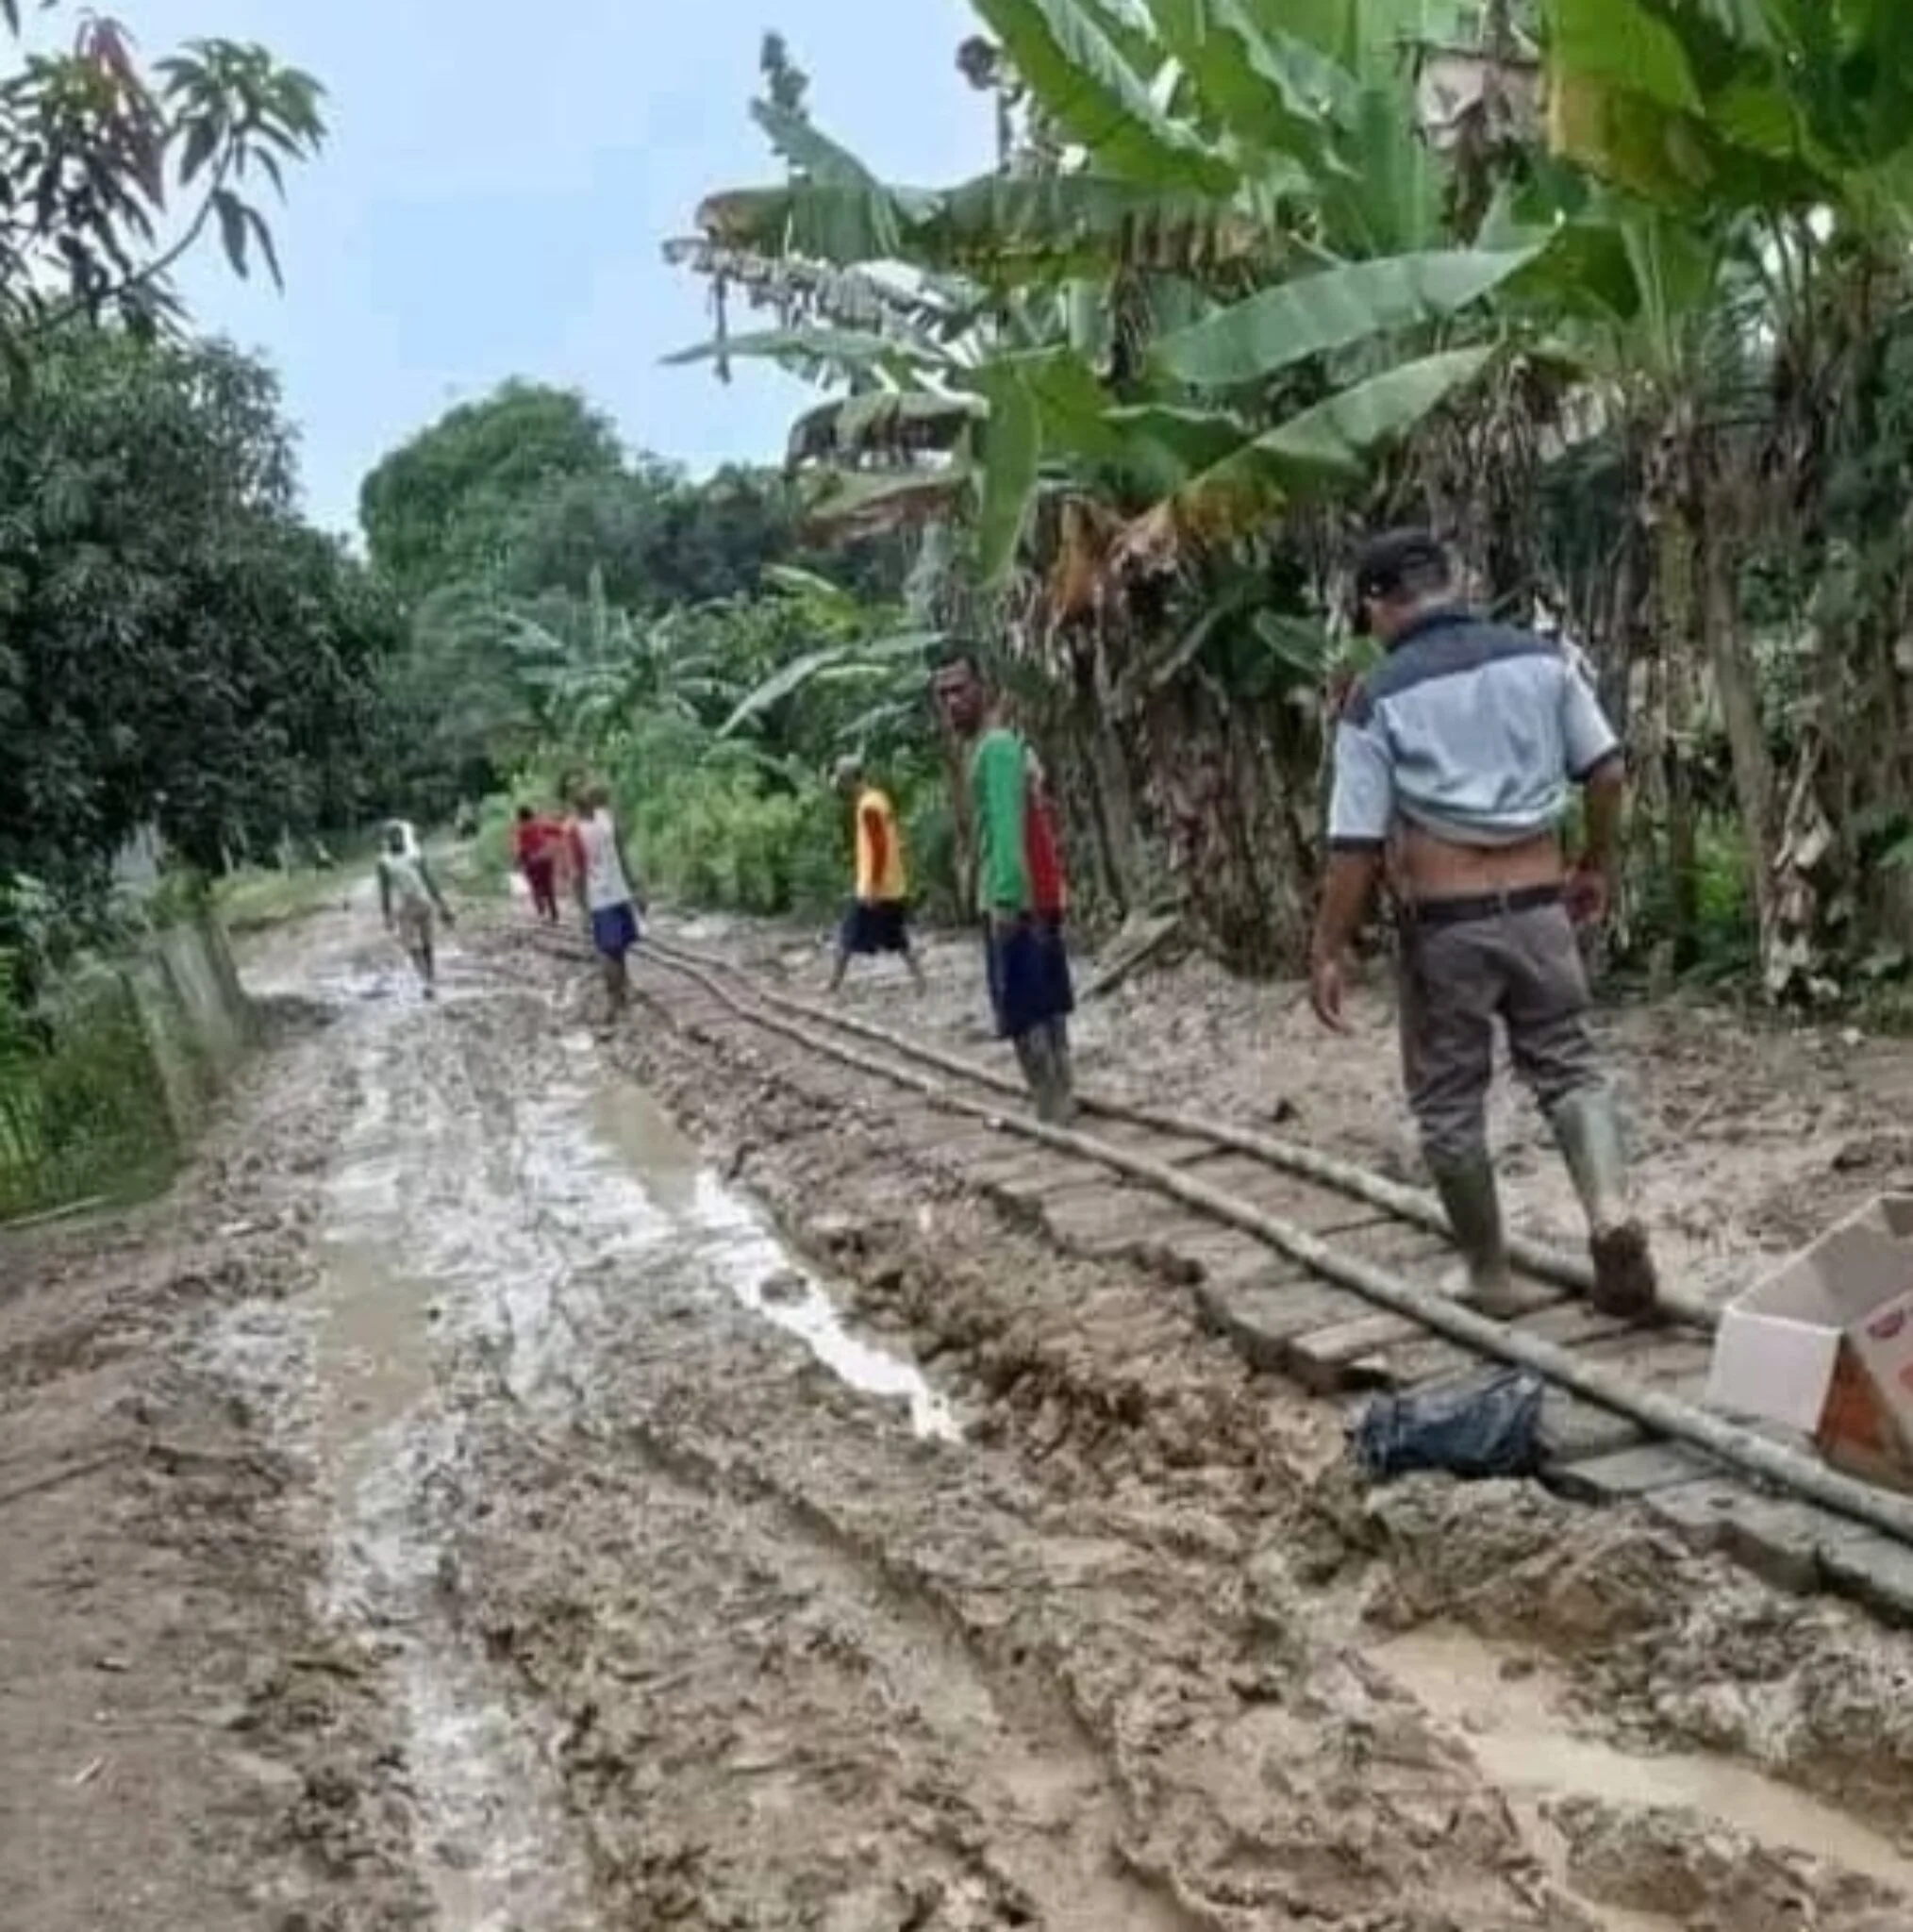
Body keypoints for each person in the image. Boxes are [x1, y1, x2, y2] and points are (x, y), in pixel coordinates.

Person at [1308, 527, 1657, 1322]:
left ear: (1375, 605)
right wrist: (1595, 864)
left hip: (1448, 927)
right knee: (1570, 1069)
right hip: (1541, 909)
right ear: (1452, 580)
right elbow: (1605, 770)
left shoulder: (1376, 698)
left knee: (1448, 1099)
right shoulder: (1541, 660)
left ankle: (1488, 1272)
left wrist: (1328, 946)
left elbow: (1356, 847)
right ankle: (1608, 1214)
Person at [930, 648, 1076, 1124]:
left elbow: (1008, 828)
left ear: (983, 687)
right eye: (943, 694)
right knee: (1047, 1000)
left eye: (960, 689)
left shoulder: (994, 749)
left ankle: (1051, 1104)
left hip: (1014, 897)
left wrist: (1006, 899)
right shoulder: (1007, 746)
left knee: (1022, 1007)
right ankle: (1061, 1098)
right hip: (1038, 894)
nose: (952, 702)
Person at [827, 755, 926, 993]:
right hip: (893, 885)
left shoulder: (868, 807)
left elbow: (880, 847)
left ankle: (833, 985)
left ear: (850, 781)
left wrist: (872, 885)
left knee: (847, 934)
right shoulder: (878, 799)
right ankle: (920, 981)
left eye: (842, 783)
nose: (841, 790)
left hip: (876, 888)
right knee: (897, 938)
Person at [567, 780, 642, 1014]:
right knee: (619, 947)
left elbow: (577, 874)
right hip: (620, 892)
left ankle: (614, 999)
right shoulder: (607, 818)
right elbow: (623, 854)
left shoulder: (573, 830)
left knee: (608, 950)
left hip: (599, 896)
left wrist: (582, 908)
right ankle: (623, 992)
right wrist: (636, 887)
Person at [376, 823, 453, 999]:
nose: (396, 840)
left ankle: (430, 979)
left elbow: (429, 880)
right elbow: (385, 890)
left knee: (427, 945)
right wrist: (387, 914)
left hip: (423, 902)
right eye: (392, 837)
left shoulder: (415, 855)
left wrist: (443, 905)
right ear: (387, 840)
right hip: (404, 907)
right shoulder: (384, 862)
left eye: (399, 836)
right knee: (411, 946)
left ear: (403, 837)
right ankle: (425, 980)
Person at [513, 803, 562, 924]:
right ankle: (554, 913)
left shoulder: (522, 829)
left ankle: (542, 913)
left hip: (533, 861)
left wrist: (518, 862)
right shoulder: (540, 823)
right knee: (549, 887)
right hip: (546, 858)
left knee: (536, 887)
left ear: (520, 818)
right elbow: (558, 830)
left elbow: (522, 849)